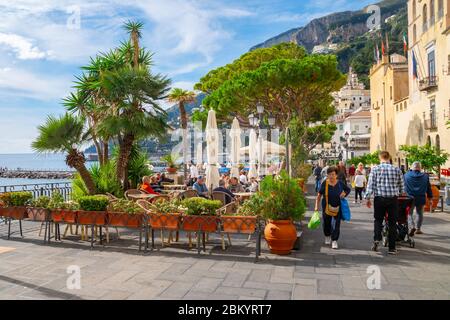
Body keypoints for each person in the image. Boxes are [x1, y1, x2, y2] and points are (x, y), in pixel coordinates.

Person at [365, 151, 405, 255]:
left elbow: (370, 185)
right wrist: (400, 193)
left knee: (378, 220)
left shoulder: (375, 169)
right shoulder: (397, 169)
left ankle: (377, 238)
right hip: (393, 199)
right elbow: (402, 186)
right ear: (389, 157)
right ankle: (392, 248)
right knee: (392, 223)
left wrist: (367, 198)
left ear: (380, 157)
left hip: (379, 198)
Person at [314, 166, 351, 249]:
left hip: (337, 207)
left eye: (333, 174)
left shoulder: (340, 183)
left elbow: (348, 189)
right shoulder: (324, 183)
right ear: (327, 175)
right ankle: (327, 235)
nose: (331, 176)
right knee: (326, 223)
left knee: (336, 224)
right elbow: (319, 195)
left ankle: (334, 240)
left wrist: (344, 194)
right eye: (329, 174)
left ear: (336, 175)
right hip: (326, 207)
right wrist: (316, 206)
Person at [404, 162, 433, 236]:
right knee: (419, 213)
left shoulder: (406, 175)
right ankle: (418, 229)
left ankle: (412, 226)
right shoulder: (425, 176)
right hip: (421, 197)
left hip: (409, 198)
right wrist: (430, 198)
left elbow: (403, 186)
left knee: (409, 213)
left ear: (412, 167)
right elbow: (428, 188)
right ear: (420, 168)